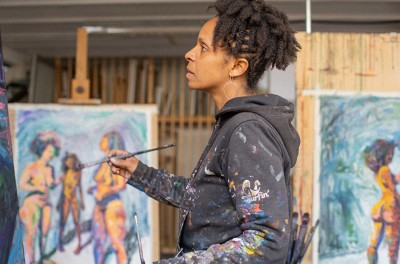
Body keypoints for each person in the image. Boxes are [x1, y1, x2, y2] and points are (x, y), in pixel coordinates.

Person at [108, 0, 301, 262]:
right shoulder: (231, 125)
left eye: (203, 48)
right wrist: (140, 173)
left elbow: (267, 240)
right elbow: (206, 201)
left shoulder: (247, 131)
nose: (190, 54)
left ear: (236, 67)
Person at [19, 131, 61, 263]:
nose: (51, 155)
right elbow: (22, 184)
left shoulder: (50, 169)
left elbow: (51, 185)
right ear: (42, 150)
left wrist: (58, 181)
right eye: (49, 151)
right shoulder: (32, 167)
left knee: (45, 233)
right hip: (32, 203)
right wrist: (37, 187)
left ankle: (41, 258)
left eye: (53, 152)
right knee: (31, 234)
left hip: (45, 203)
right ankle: (30, 261)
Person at [88, 131, 127, 264]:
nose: (100, 142)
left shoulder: (115, 161)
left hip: (112, 204)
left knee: (116, 244)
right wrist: (95, 189)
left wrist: (105, 191)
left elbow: (121, 185)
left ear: (110, 141)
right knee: (98, 242)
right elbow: (103, 183)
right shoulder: (104, 162)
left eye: (103, 139)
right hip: (99, 204)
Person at [363, 139, 400, 264]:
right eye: (390, 153)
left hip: (380, 207)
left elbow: (393, 180)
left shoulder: (378, 171)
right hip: (391, 207)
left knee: (374, 242)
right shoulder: (385, 169)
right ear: (385, 154)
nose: (392, 156)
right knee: (393, 245)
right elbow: (392, 189)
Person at [57, 153, 85, 254]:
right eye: (68, 161)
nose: (70, 163)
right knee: (62, 222)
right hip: (65, 200)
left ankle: (79, 244)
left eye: (72, 161)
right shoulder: (65, 173)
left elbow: (80, 187)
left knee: (77, 222)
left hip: (74, 200)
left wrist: (82, 201)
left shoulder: (78, 173)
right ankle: (59, 242)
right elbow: (62, 189)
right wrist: (59, 202)